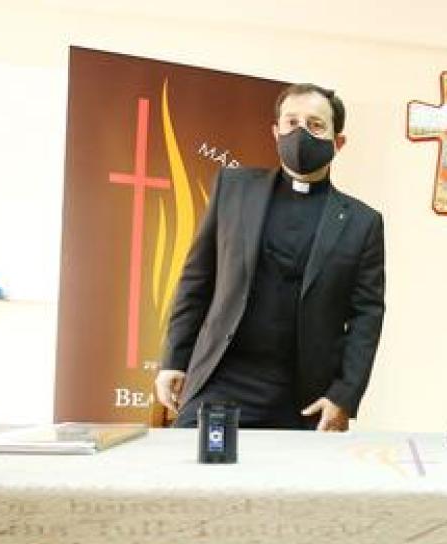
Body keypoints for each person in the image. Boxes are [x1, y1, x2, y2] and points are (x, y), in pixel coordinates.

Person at [154, 83, 385, 431]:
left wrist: (345, 395)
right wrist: (174, 359)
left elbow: (367, 316)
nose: (301, 132)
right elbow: (196, 279)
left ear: (338, 143)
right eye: (291, 122)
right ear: (275, 132)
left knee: (290, 487)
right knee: (193, 478)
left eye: (316, 125)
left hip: (305, 398)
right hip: (222, 381)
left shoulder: (363, 223)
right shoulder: (233, 189)